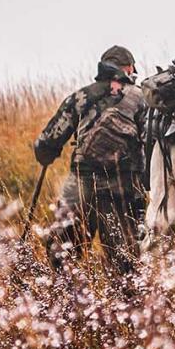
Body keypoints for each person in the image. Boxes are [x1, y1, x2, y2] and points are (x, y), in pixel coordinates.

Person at [34, 45, 149, 271]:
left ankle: (66, 301)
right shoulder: (140, 98)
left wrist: (47, 155)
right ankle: (126, 304)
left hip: (79, 186)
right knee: (125, 264)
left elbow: (45, 144)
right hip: (123, 189)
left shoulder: (81, 97)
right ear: (129, 69)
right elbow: (150, 143)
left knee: (62, 256)